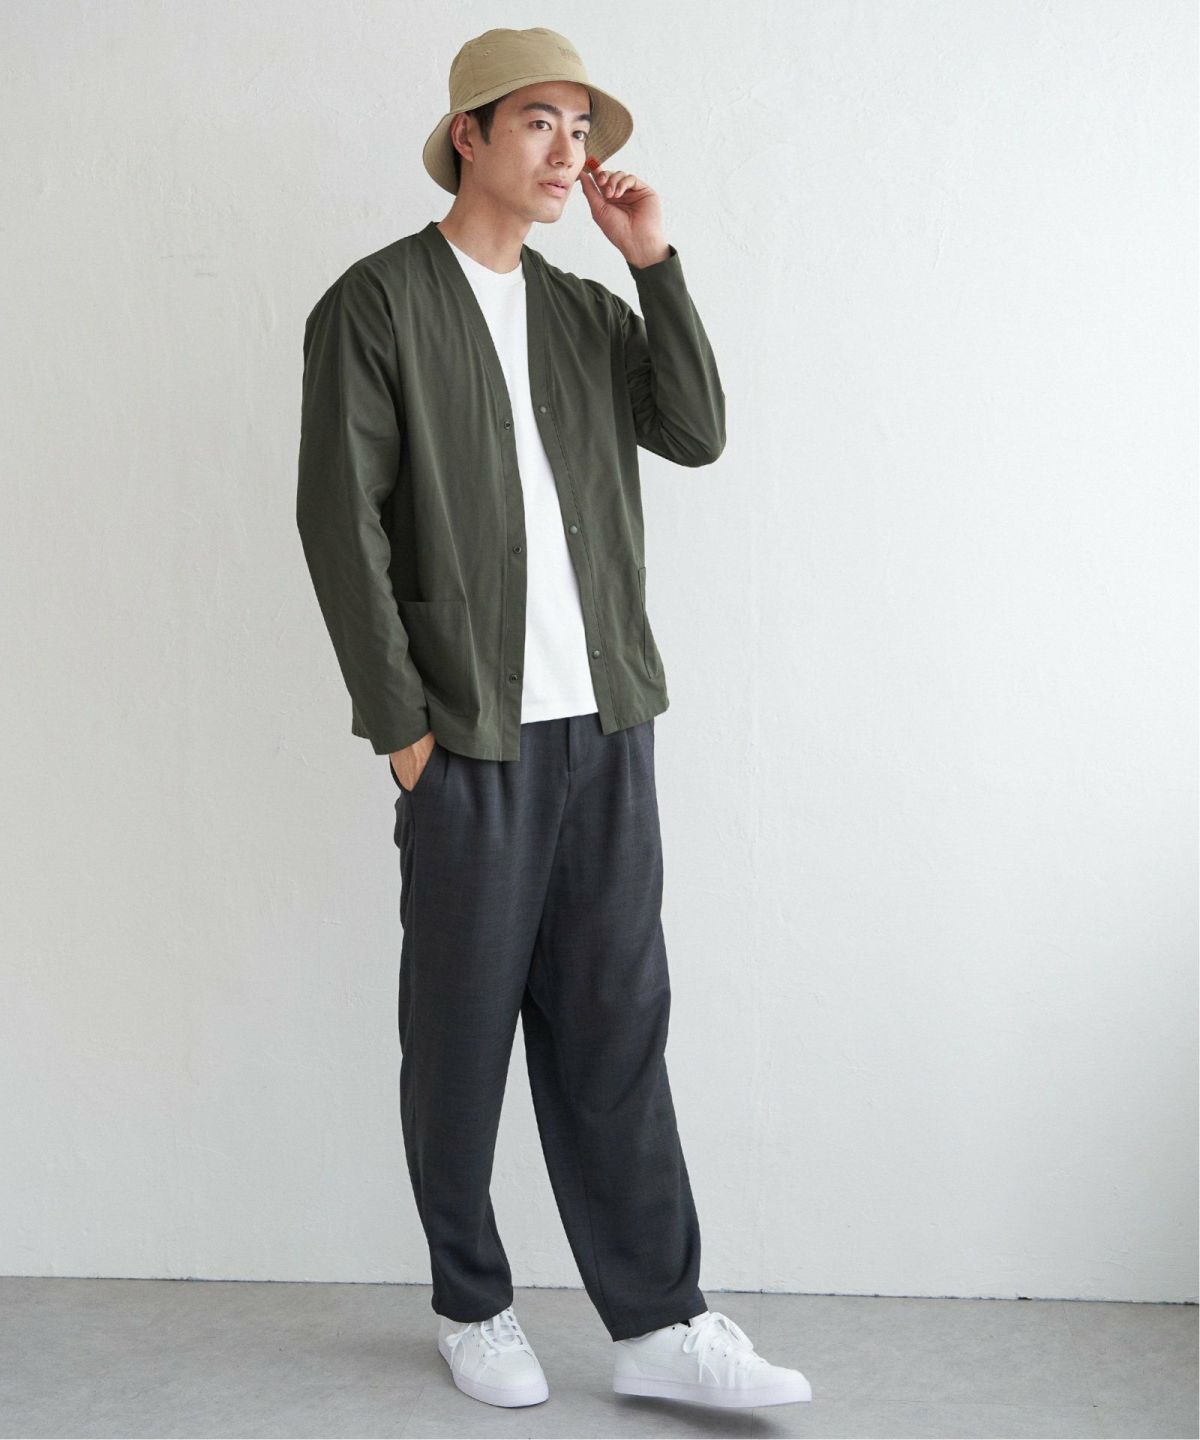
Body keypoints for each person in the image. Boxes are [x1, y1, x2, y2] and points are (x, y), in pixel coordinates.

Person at [296, 24, 812, 1414]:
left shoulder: (588, 310)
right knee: (459, 1038)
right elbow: (339, 521)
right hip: (468, 737)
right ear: (468, 134)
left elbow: (695, 429)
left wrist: (653, 262)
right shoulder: (376, 305)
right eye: (539, 122)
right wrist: (401, 727)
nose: (569, 152)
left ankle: (659, 1324)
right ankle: (471, 1303)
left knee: (616, 1029)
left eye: (582, 129)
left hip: (607, 727)